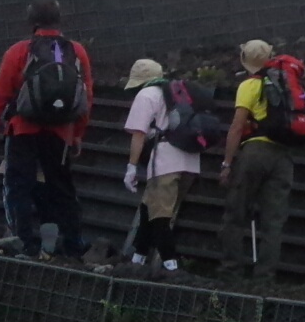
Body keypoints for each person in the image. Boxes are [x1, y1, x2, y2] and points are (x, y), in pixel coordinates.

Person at [0, 0, 93, 260]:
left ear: (31, 22)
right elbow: (86, 96)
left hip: (23, 128)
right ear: (59, 20)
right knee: (61, 188)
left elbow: (0, 94)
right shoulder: (77, 51)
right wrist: (78, 133)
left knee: (17, 185)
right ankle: (71, 245)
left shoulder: (20, 51)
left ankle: (22, 242)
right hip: (61, 132)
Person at [217, 40, 293, 278]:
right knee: (274, 220)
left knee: (236, 212)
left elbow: (237, 126)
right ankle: (265, 276)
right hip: (283, 155)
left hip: (254, 152)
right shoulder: (286, 84)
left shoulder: (250, 85)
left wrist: (227, 163)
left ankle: (231, 269)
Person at [121, 58, 200, 272]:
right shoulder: (181, 94)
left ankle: (171, 266)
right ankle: (138, 257)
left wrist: (131, 167)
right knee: (150, 207)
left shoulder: (146, 95)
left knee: (160, 215)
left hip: (165, 161)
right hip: (191, 160)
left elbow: (139, 134)